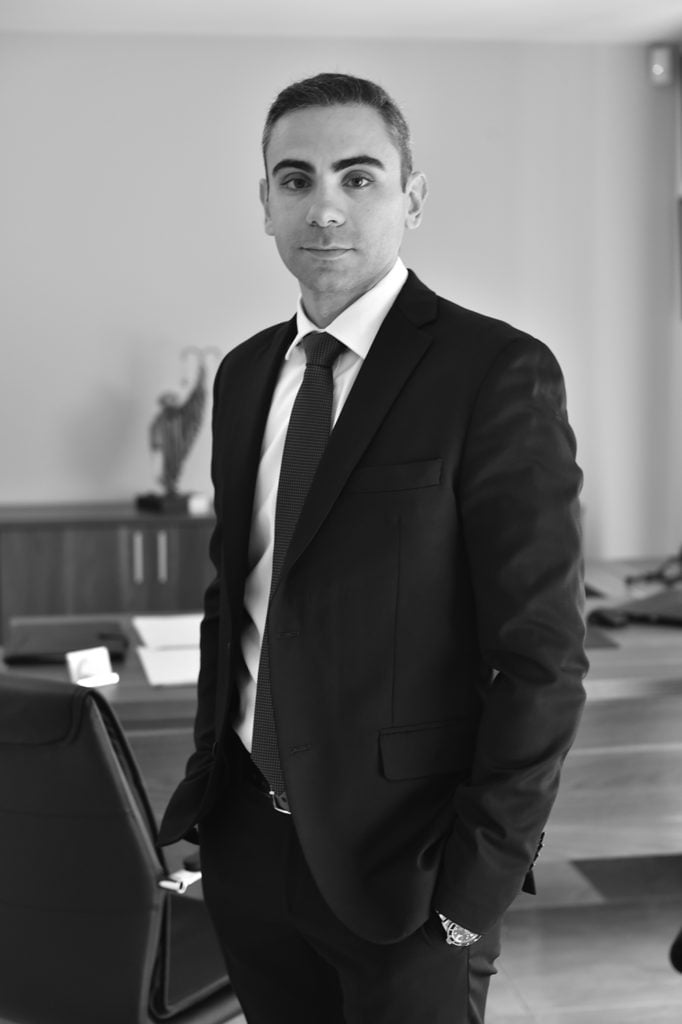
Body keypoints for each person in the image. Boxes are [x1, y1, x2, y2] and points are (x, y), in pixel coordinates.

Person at [159, 72, 588, 1024]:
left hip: (410, 873)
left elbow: (542, 659)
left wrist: (475, 893)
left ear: (413, 198)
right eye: (295, 179)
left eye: (359, 178)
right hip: (251, 853)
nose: (325, 208)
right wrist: (204, 798)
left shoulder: (495, 371)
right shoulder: (243, 376)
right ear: (264, 201)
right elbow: (234, 598)